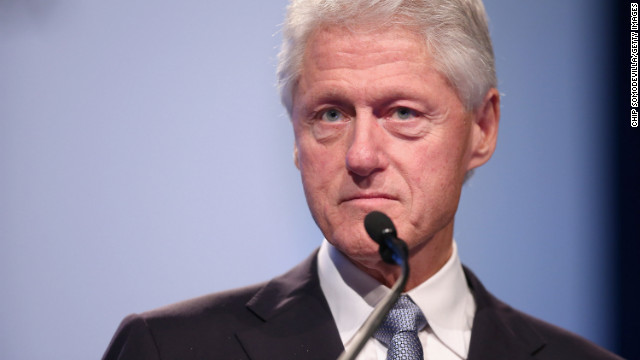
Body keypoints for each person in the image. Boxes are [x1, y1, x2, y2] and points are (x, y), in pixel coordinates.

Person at [103, 0, 622, 359]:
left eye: (401, 112)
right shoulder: (168, 350)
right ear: (295, 135)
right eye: (330, 115)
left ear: (481, 130)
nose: (361, 155)